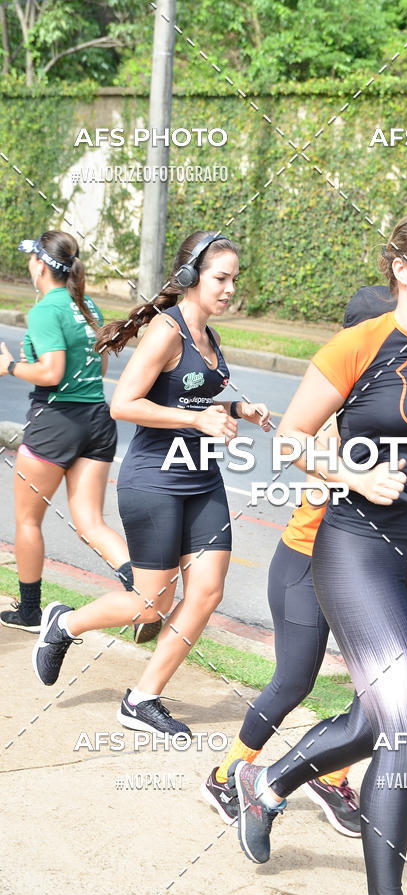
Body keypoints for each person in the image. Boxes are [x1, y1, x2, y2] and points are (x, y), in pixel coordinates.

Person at [227, 207, 407, 895]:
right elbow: (290, 437)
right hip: (355, 547)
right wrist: (349, 474)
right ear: (401, 268)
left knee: (381, 722)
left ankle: (268, 784)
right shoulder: (359, 344)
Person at [30, 230, 271, 737]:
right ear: (190, 278)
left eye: (234, 279)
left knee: (206, 591)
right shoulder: (167, 330)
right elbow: (124, 405)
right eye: (220, 278)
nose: (229, 288)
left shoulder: (210, 335)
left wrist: (236, 410)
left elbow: (190, 402)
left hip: (201, 477)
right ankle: (64, 624)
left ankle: (142, 698)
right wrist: (201, 421)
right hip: (154, 482)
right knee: (150, 603)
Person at [203, 284, 407, 837]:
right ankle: (228, 775)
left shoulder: (394, 400)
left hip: (365, 568)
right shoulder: (340, 403)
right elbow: (306, 452)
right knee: (294, 680)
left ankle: (330, 773)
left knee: (384, 685)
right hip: (305, 559)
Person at [0, 231, 135, 633]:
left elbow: (52, 372)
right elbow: (101, 368)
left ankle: (29, 612)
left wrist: (8, 366)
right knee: (91, 522)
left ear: (40, 265)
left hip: (55, 422)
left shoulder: (45, 310)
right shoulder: (85, 304)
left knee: (27, 520)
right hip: (97, 419)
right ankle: (143, 591)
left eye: (31, 259)